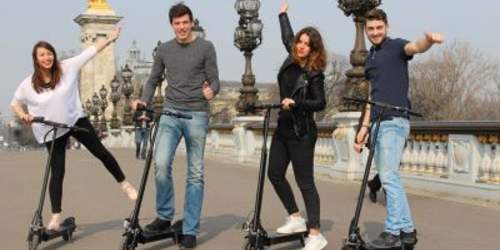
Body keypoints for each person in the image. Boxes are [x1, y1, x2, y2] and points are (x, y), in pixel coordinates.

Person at [10, 26, 138, 231]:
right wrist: (23, 115)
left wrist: (111, 38)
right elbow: (15, 103)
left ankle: (124, 184)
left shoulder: (67, 66)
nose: (47, 57)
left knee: (101, 152)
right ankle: (55, 216)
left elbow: (91, 51)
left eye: (49, 53)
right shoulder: (28, 84)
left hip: (75, 121)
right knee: (57, 172)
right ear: (36, 59)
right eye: (42, 55)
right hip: (52, 129)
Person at [131, 3, 220, 249]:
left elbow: (214, 78)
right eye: (177, 23)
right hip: (169, 113)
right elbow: (153, 80)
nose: (181, 27)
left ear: (191, 23)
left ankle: (190, 230)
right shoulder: (164, 50)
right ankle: (164, 215)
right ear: (172, 25)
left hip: (197, 115)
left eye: (185, 22)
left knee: (195, 173)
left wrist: (212, 89)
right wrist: (143, 100)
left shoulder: (206, 47)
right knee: (160, 163)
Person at [353, 8, 444, 248]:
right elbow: (373, 93)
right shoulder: (370, 58)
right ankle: (407, 231)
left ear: (387, 27)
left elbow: (414, 47)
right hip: (376, 123)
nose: (375, 32)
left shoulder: (395, 47)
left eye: (379, 28)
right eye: (370, 29)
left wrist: (429, 41)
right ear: (366, 30)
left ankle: (392, 232)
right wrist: (363, 127)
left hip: (394, 122)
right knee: (390, 178)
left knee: (389, 178)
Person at [266, 1, 328, 249]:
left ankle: (315, 234)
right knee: (274, 173)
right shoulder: (291, 58)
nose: (301, 46)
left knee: (305, 182)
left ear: (313, 49)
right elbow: (287, 37)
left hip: (302, 132)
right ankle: (295, 217)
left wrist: (297, 103)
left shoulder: (314, 72)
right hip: (283, 128)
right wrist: (282, 15)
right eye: (300, 42)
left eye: (307, 44)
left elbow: (320, 102)